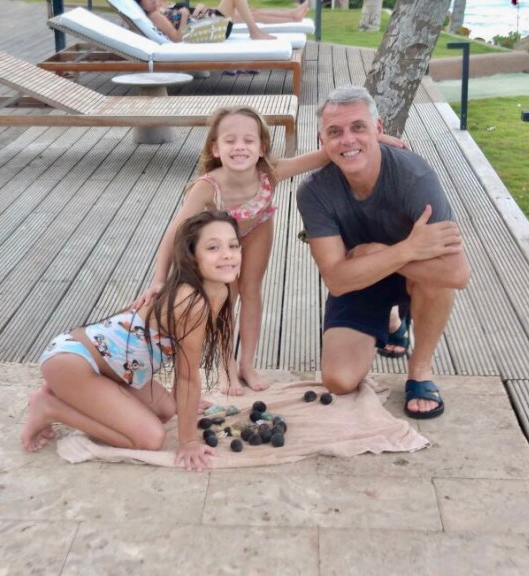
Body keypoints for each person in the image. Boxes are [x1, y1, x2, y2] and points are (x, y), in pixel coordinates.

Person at [132, 106, 408, 396]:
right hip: (221, 239)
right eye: (230, 141)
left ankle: (247, 364)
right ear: (215, 148)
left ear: (262, 147)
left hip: (257, 227)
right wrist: (159, 279)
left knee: (251, 290)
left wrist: (376, 138)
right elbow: (175, 231)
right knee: (226, 296)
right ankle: (227, 364)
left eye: (248, 140)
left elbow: (325, 154)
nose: (240, 147)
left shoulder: (269, 173)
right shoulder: (207, 186)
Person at [296, 86, 471, 419]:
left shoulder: (415, 177)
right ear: (322, 141)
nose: (347, 139)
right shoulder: (313, 191)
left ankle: (420, 370)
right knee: (338, 380)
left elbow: (457, 275)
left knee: (436, 281)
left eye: (358, 127)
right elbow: (336, 280)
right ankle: (392, 319)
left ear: (378, 129)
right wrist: (407, 249)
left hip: (413, 277)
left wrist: (377, 252)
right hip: (360, 279)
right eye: (335, 132)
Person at [21, 210, 241, 472]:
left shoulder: (219, 290)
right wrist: (189, 442)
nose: (227, 254)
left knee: (166, 410)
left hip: (111, 369)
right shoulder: (189, 301)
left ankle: (68, 391)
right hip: (74, 360)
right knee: (150, 439)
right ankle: (50, 407)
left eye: (233, 245)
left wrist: (185, 404)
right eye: (213, 247)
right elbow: (187, 376)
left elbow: (182, 355)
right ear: (192, 256)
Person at [139, 0, 308, 42]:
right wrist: (184, 16)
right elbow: (177, 37)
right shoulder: (155, 16)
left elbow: (187, 13)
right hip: (209, 28)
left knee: (251, 12)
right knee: (250, 12)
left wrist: (196, 10)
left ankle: (293, 15)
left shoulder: (161, 8)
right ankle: (255, 32)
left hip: (205, 21)